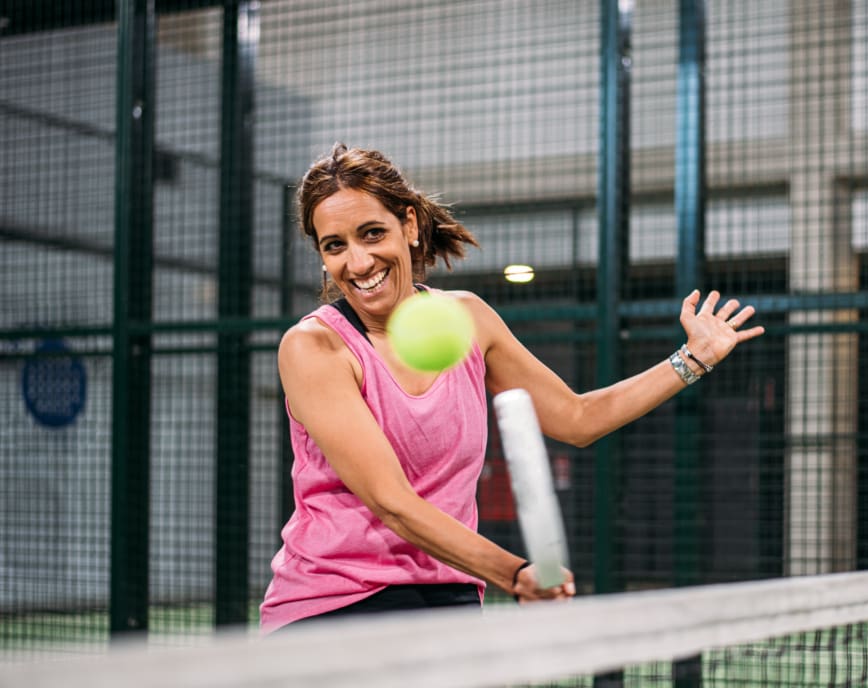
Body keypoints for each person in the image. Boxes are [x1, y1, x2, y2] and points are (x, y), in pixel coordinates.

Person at [259, 143, 765, 633]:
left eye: (372, 233)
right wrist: (515, 574)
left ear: (409, 225)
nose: (359, 262)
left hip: (447, 595)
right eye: (335, 246)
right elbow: (392, 501)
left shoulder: (470, 319)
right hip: (333, 607)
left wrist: (692, 359)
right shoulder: (314, 348)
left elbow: (578, 419)